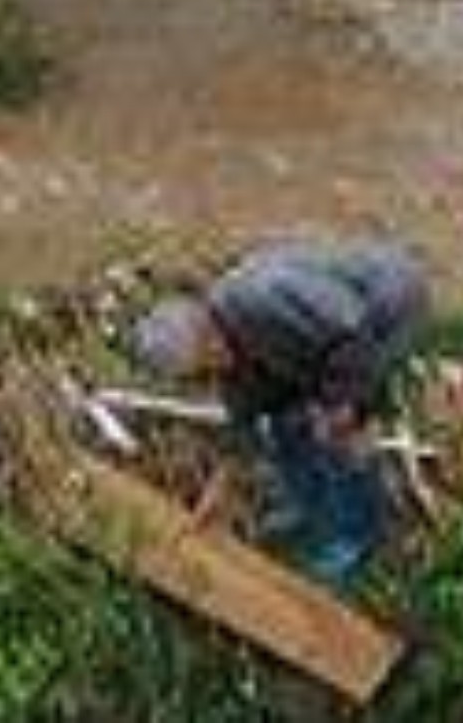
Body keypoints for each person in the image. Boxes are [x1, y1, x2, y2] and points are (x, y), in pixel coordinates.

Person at [131, 240, 431, 587]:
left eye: (201, 370)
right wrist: (220, 488)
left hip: (384, 311)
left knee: (335, 435)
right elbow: (242, 413)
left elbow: (350, 335)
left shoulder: (262, 300)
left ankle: (359, 536)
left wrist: (341, 406)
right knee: (286, 425)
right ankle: (313, 509)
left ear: (206, 336)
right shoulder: (226, 341)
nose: (207, 379)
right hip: (321, 342)